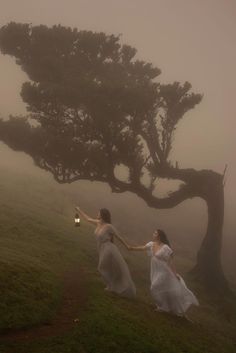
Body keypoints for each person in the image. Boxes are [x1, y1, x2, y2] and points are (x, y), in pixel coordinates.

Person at [128, 229, 199, 317]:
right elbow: (142, 248)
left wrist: (175, 273)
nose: (153, 234)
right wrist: (132, 248)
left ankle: (163, 307)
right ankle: (165, 306)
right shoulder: (151, 244)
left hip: (164, 271)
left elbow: (171, 261)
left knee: (154, 286)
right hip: (155, 270)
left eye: (155, 233)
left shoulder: (165, 247)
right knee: (162, 288)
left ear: (159, 236)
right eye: (153, 232)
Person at [75, 206, 136, 298]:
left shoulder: (109, 227)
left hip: (108, 248)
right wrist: (79, 210)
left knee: (101, 266)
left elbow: (118, 236)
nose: (97, 214)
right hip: (101, 248)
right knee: (108, 267)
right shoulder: (99, 223)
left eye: (99, 212)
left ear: (102, 215)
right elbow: (87, 219)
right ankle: (111, 286)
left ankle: (111, 286)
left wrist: (127, 246)